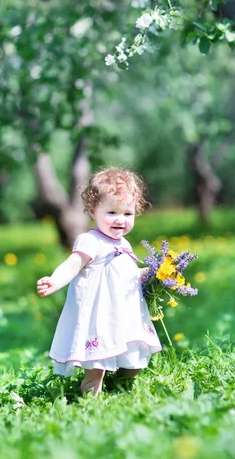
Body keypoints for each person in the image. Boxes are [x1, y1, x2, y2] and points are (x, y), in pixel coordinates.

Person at [36, 167, 162, 396]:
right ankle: (89, 402)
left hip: (122, 315)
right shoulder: (90, 241)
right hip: (100, 316)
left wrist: (155, 273)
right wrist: (55, 281)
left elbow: (130, 274)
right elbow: (72, 265)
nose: (120, 220)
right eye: (112, 212)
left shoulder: (124, 244)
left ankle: (122, 392)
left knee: (133, 360)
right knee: (97, 367)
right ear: (93, 210)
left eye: (127, 213)